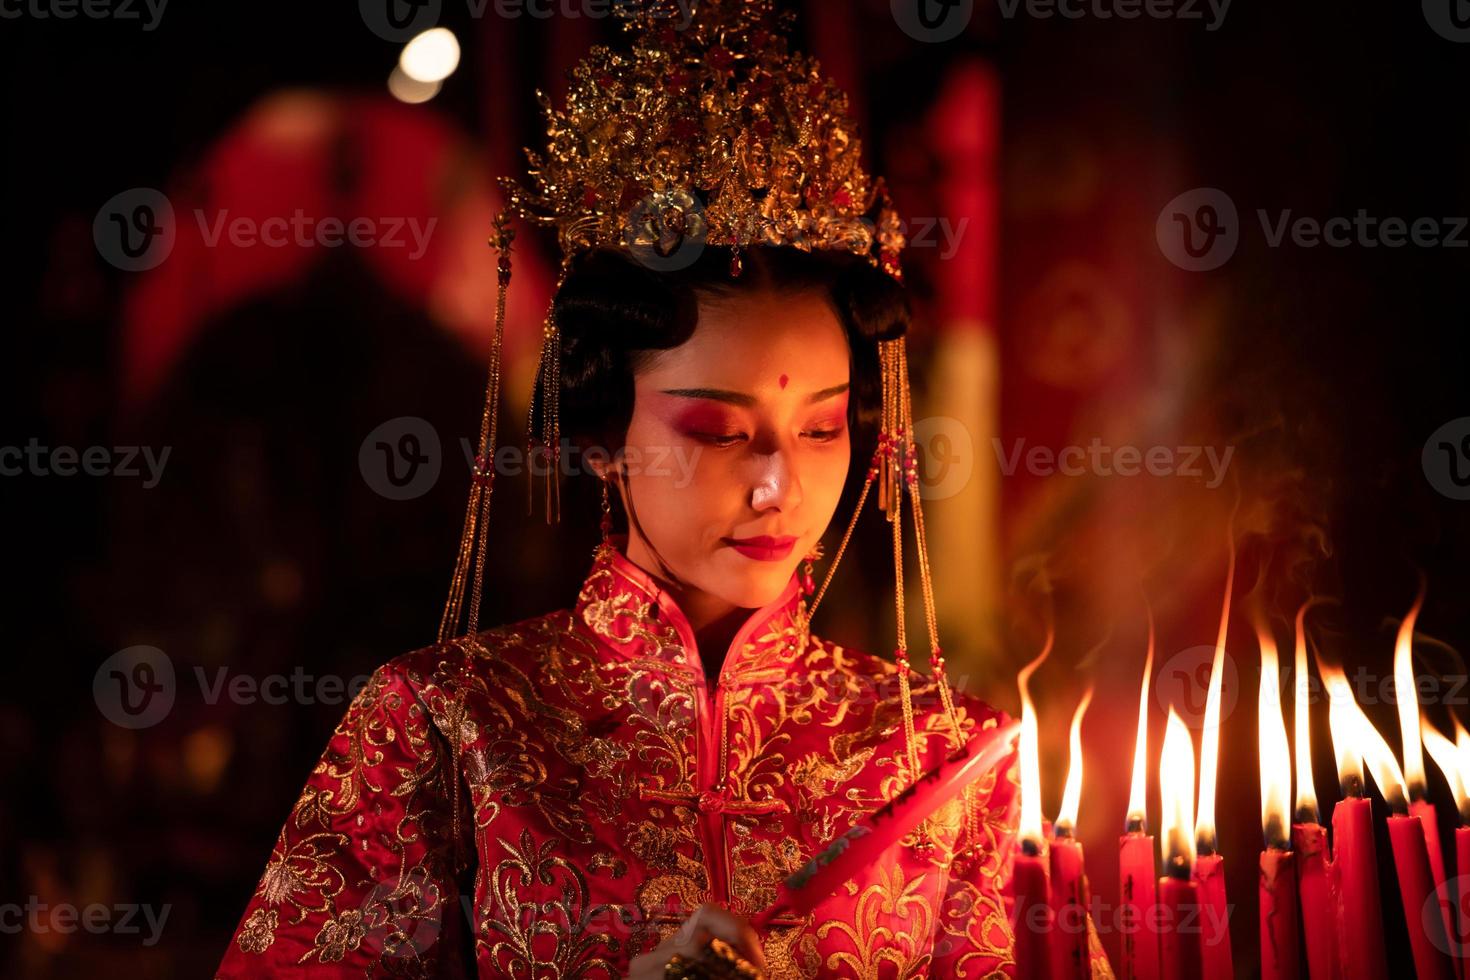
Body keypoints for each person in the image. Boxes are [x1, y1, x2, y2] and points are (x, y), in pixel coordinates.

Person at [216, 1, 1081, 975]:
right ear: (598, 433)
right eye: (716, 428)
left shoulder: (945, 756)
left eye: (823, 426)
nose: (777, 483)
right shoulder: (448, 724)